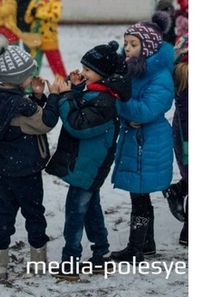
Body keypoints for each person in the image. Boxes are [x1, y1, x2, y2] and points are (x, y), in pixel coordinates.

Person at [44, 40, 131, 281]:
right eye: (83, 68)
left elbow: (77, 124)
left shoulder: (105, 102)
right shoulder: (99, 93)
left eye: (88, 71)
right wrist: (77, 87)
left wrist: (65, 96)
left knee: (75, 213)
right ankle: (100, 255)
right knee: (90, 208)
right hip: (87, 165)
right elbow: (83, 107)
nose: (83, 73)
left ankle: (70, 262)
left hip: (89, 167)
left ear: (102, 75)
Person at [0, 35, 59, 280]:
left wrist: (36, 97)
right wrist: (52, 96)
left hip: (5, 169)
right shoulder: (21, 106)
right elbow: (45, 122)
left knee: (5, 212)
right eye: (28, 74)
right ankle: (38, 260)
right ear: (19, 78)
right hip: (28, 171)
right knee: (34, 213)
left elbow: (22, 121)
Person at [109, 12, 174, 262]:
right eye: (126, 44)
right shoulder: (134, 71)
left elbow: (147, 110)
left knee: (140, 198)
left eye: (133, 45)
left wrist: (120, 105)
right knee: (140, 195)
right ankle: (146, 243)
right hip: (136, 139)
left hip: (147, 143)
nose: (127, 49)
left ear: (147, 48)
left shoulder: (159, 76)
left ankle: (136, 248)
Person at [162, 33, 188, 246]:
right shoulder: (185, 73)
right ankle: (189, 230)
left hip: (182, 135)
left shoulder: (178, 72)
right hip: (185, 136)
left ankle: (178, 190)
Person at [24, 0, 67, 79]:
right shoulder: (35, 0)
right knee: (33, 64)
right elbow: (27, 19)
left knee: (56, 64)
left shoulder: (55, 0)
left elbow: (55, 16)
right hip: (35, 36)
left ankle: (63, 85)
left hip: (49, 37)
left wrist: (38, 13)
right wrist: (31, 13)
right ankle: (30, 88)